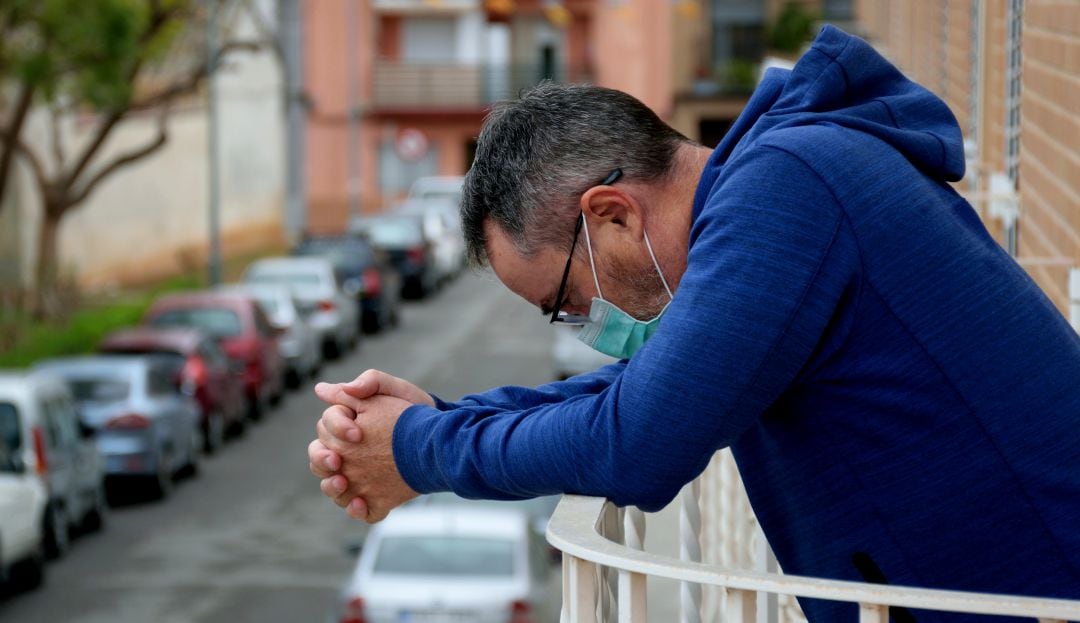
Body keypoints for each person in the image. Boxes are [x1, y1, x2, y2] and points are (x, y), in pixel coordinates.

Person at [308, 26, 1080, 621]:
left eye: (564, 299)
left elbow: (638, 442)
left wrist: (418, 450)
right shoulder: (782, 186)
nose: (580, 324)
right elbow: (634, 392)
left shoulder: (788, 191)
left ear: (610, 214)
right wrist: (443, 418)